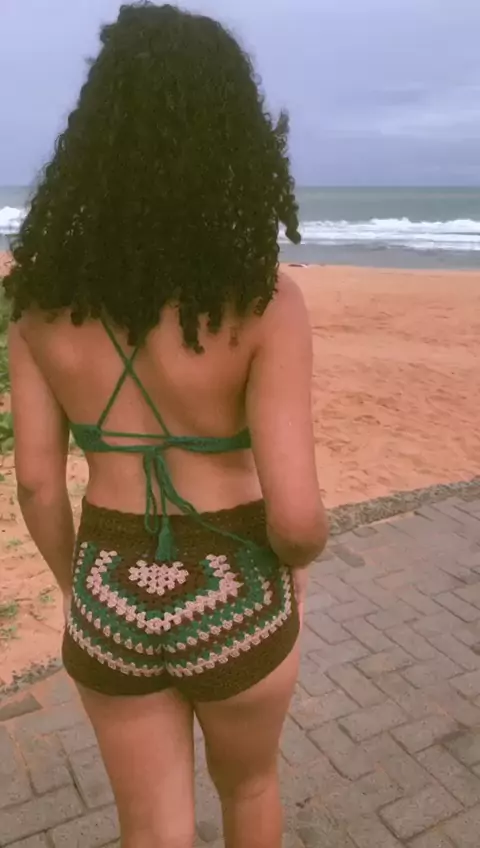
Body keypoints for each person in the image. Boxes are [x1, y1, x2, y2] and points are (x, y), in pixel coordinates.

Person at [4, 4, 327, 847]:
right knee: (249, 788)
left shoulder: (37, 304)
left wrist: (79, 589)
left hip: (109, 589)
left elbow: (36, 483)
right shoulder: (264, 302)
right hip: (238, 587)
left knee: (152, 830)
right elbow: (297, 519)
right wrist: (293, 573)